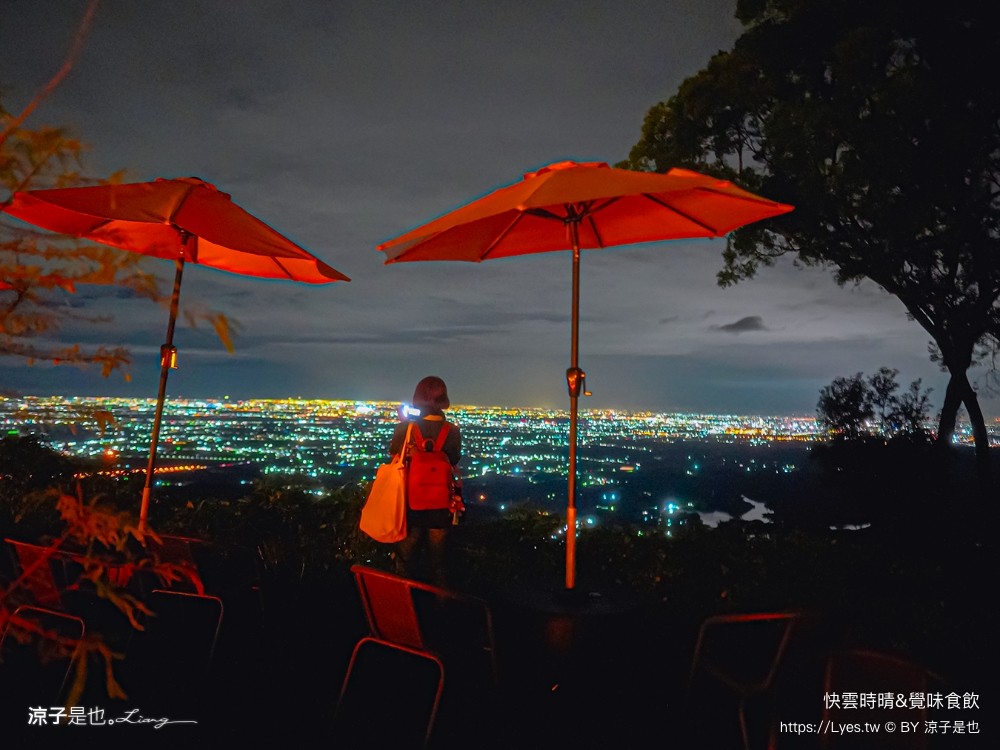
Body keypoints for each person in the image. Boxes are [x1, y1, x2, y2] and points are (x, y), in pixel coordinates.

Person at [389, 375, 462, 586]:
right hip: (440, 506)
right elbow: (454, 459)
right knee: (439, 565)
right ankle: (442, 612)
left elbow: (395, 455)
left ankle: (403, 610)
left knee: (405, 561)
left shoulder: (406, 429)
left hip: (410, 504)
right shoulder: (452, 431)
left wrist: (405, 426)